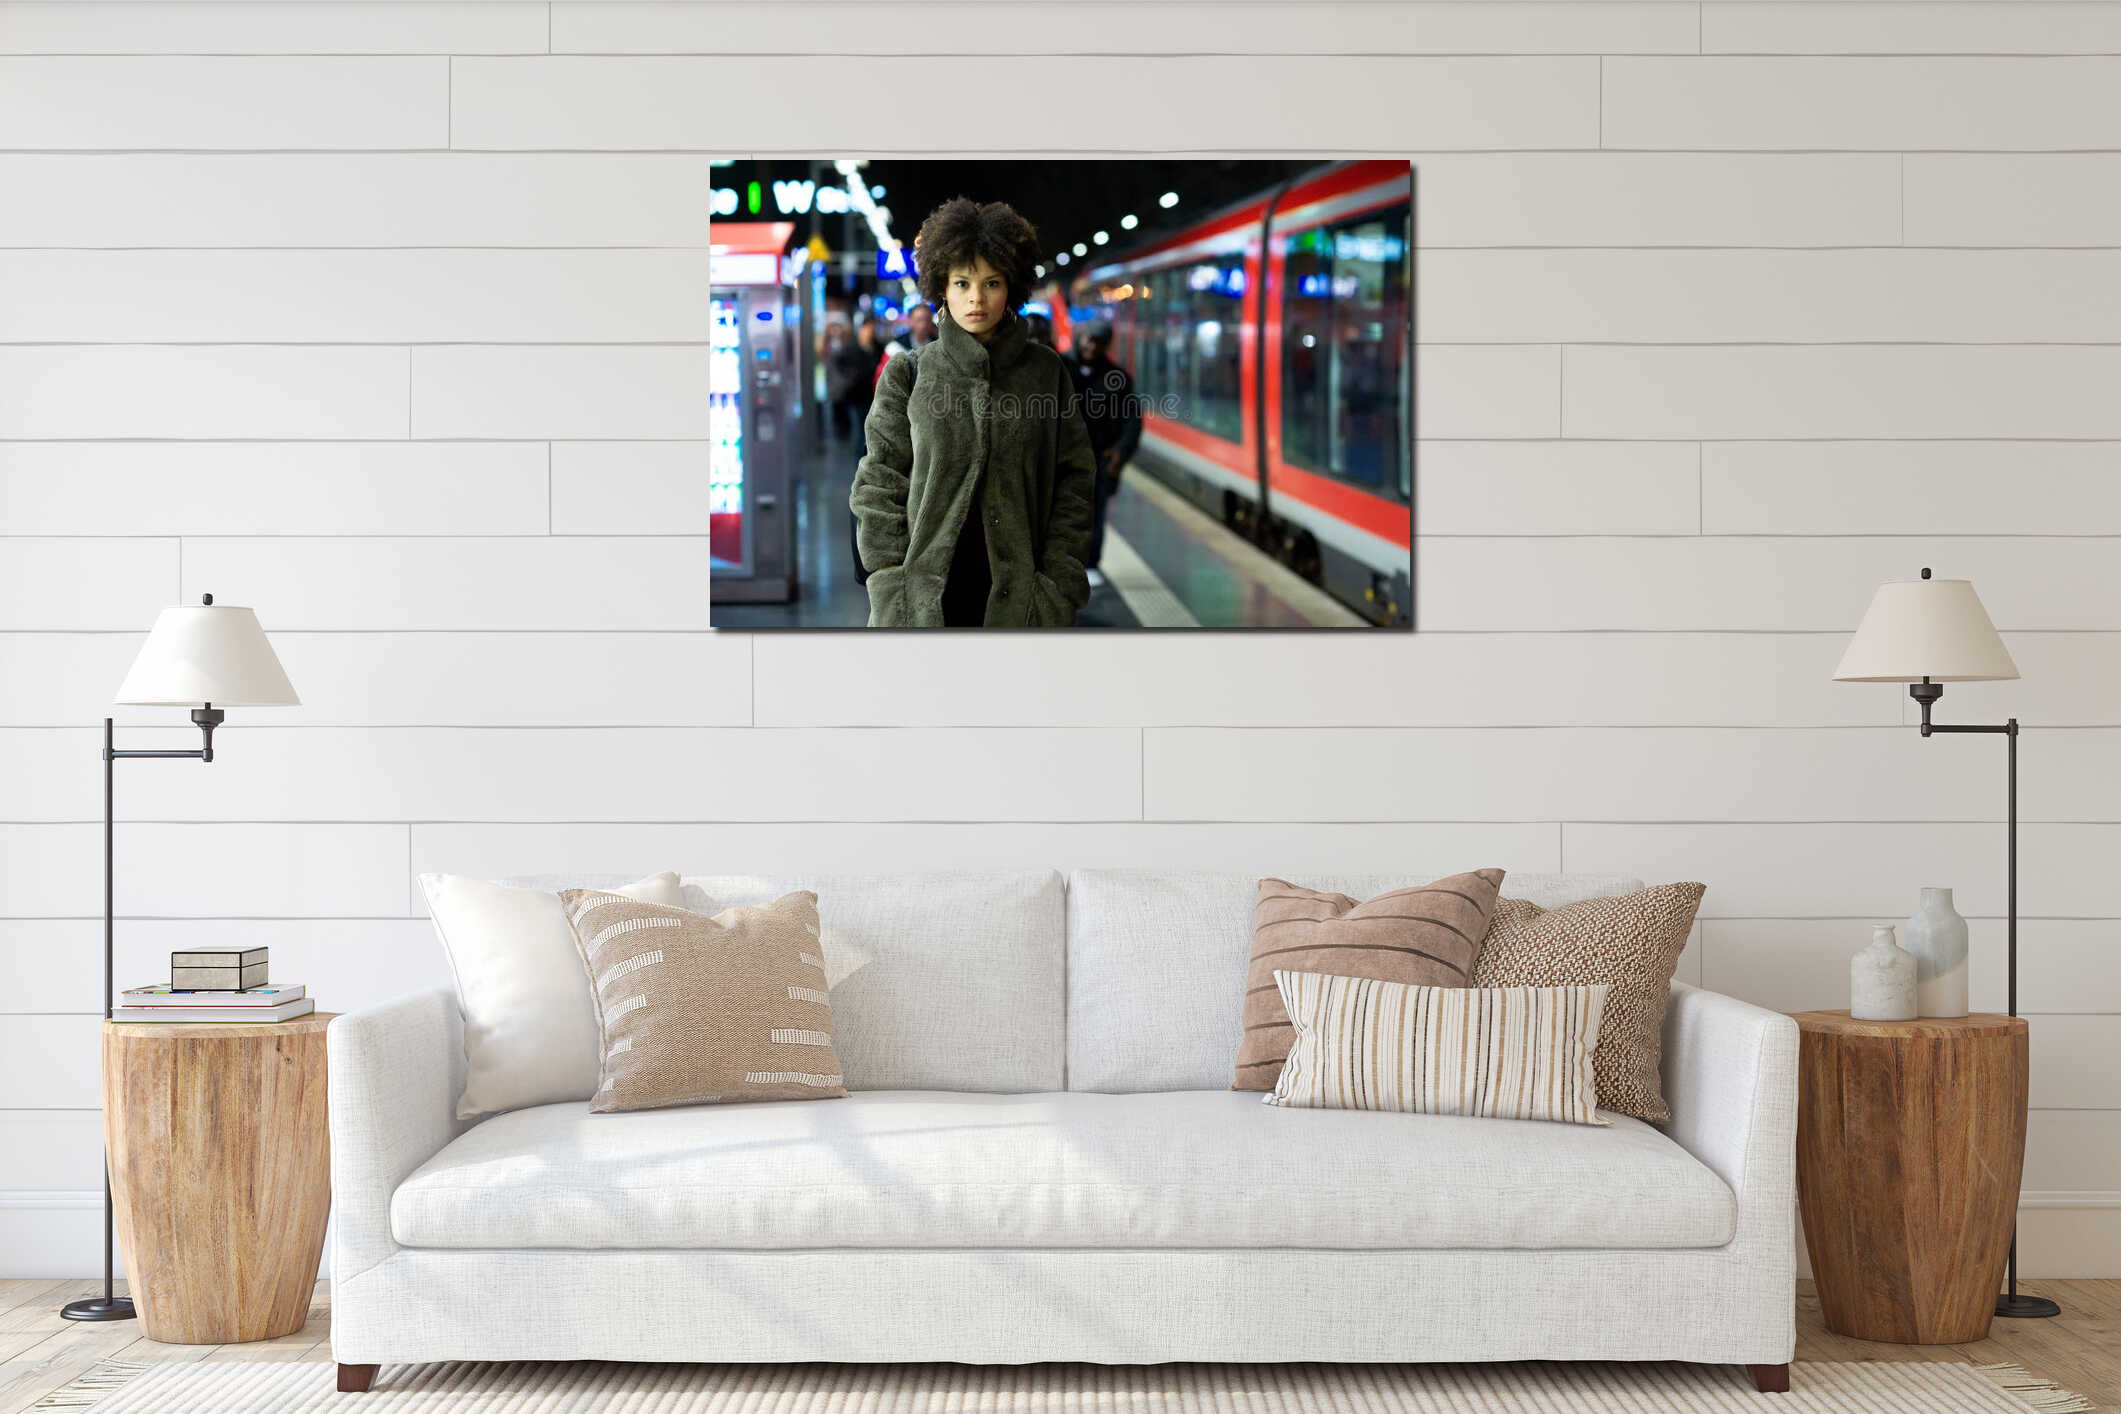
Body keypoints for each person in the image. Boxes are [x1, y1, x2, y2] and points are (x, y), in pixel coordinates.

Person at [849, 197, 1098, 628]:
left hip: (1025, 607)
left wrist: (1058, 585)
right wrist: (890, 580)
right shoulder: (908, 373)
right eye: (962, 283)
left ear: (1012, 287)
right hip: (921, 608)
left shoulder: (1044, 373)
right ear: (942, 288)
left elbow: (1074, 481)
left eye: (991, 283)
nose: (976, 299)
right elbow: (879, 480)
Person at [1066, 319, 1142, 586]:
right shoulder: (1058, 367)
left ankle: (1090, 563)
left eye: (1098, 342)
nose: (1091, 346)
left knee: (1095, 512)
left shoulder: (1118, 378)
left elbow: (1132, 420)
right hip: (1063, 457)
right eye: (1088, 339)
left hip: (1100, 457)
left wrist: (1121, 452)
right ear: (1080, 338)